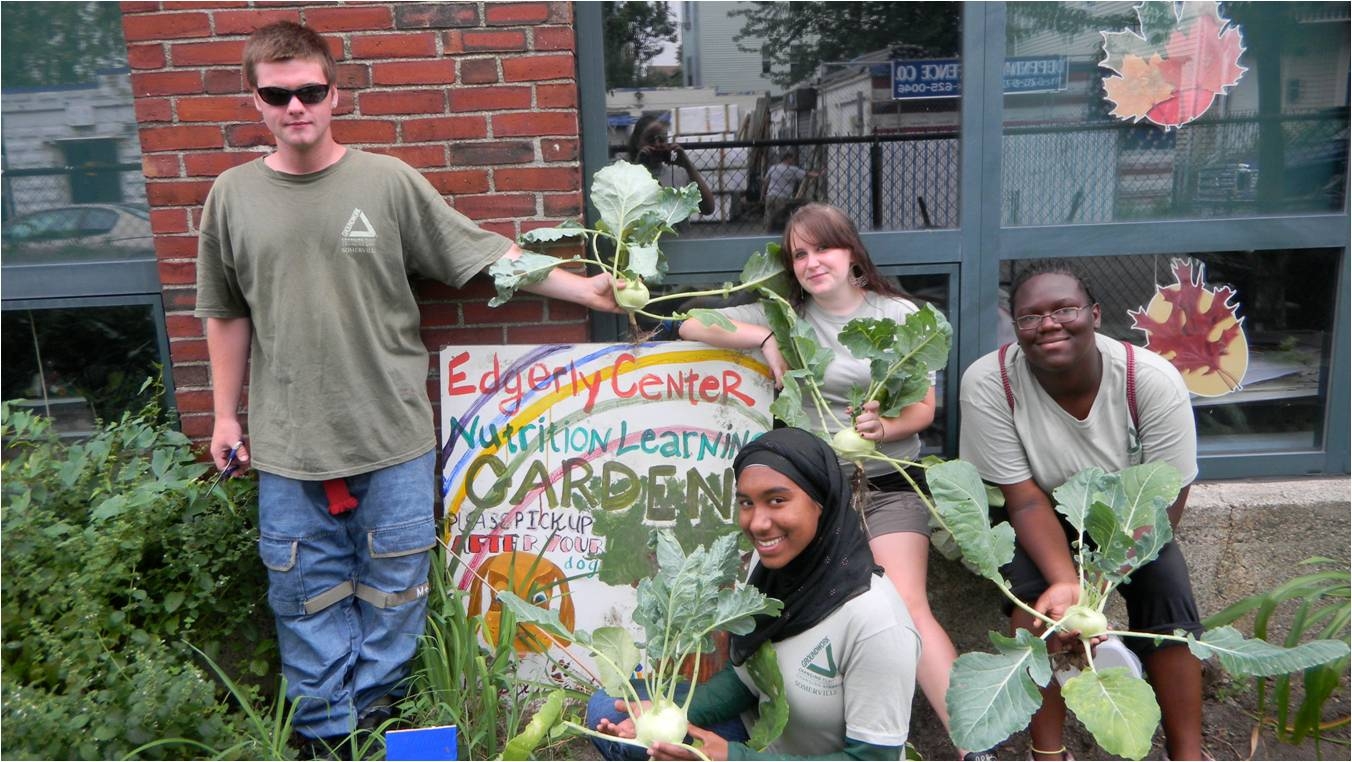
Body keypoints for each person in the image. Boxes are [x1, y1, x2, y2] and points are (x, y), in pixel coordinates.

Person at [194, 21, 619, 756]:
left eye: (310, 92)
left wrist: (582, 289)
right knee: (303, 605)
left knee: (395, 605)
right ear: (255, 101)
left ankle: (382, 735)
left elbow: (482, 252)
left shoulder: (385, 183)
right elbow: (225, 313)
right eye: (277, 94)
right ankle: (328, 744)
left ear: (334, 93)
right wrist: (224, 417)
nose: (296, 107)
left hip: (391, 439)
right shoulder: (231, 197)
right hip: (291, 450)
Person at [677, 203, 977, 758]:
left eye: (824, 248)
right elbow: (692, 321)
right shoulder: (785, 317)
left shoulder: (900, 314)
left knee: (908, 604)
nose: (813, 262)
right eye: (800, 254)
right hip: (813, 499)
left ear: (852, 253)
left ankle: (975, 744)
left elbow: (924, 411)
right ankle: (755, 723)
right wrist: (762, 340)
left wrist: (882, 426)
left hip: (886, 480)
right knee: (757, 603)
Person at [958, 262, 1205, 761]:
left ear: (1094, 314)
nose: (1049, 324)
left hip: (1131, 521)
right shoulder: (990, 383)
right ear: (1016, 326)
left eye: (1064, 309)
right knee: (1038, 610)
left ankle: (1188, 753)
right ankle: (1047, 751)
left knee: (1168, 603)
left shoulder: (1150, 381)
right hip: (1034, 516)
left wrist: (1108, 580)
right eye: (1031, 317)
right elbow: (1022, 497)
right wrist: (1070, 588)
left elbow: (1166, 497)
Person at [588, 426, 919, 760]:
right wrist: (680, 714)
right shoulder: (777, 572)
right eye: (746, 502)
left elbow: (874, 759)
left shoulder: (877, 622)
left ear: (822, 501)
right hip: (763, 741)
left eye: (777, 500)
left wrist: (735, 758)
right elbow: (749, 677)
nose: (758, 523)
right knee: (615, 712)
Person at [627, 113, 716, 215]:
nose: (657, 144)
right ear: (637, 143)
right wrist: (637, 167)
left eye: (662, 139)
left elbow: (708, 208)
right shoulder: (627, 177)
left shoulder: (679, 173)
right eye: (650, 140)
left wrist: (687, 164)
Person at [761, 150, 815, 232]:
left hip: (770, 196)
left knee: (769, 216)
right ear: (788, 159)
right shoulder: (792, 169)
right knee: (781, 218)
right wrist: (819, 174)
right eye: (792, 159)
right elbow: (807, 174)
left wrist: (763, 194)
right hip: (782, 198)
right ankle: (781, 235)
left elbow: (766, 182)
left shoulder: (773, 167)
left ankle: (767, 233)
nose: (793, 161)